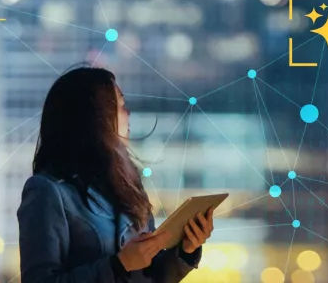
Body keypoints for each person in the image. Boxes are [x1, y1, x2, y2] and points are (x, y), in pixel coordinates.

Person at [19, 66, 214, 282]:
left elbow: (152, 276)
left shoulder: (128, 184)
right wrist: (119, 264)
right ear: (93, 117)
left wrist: (186, 250)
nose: (128, 113)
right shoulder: (47, 191)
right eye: (121, 105)